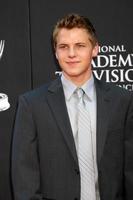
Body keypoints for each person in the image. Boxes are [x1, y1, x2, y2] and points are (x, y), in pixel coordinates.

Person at [12, 13, 133, 200]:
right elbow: (24, 178)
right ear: (56, 52)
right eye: (63, 47)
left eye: (80, 46)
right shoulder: (31, 105)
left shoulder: (122, 101)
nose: (71, 54)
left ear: (95, 49)